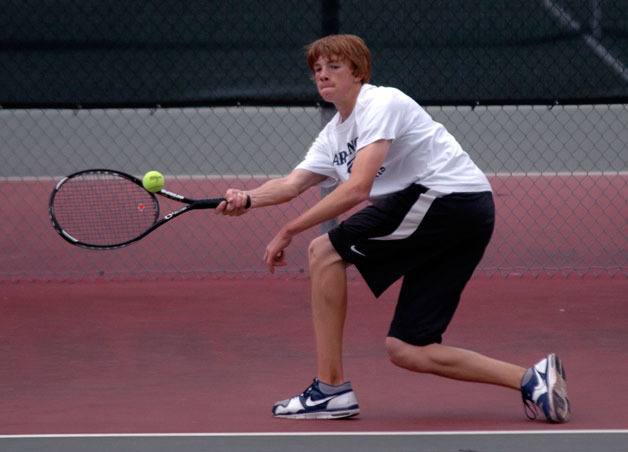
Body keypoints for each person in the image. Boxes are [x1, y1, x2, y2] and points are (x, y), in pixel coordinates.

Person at [216, 34, 570, 423]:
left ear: (359, 72)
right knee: (407, 347)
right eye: (317, 69)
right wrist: (247, 198)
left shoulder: (380, 103)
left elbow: (358, 188)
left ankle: (329, 390)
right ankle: (531, 379)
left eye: (334, 66)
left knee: (323, 252)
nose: (323, 75)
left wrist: (289, 230)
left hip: (448, 196)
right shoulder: (334, 135)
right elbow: (291, 184)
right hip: (461, 213)